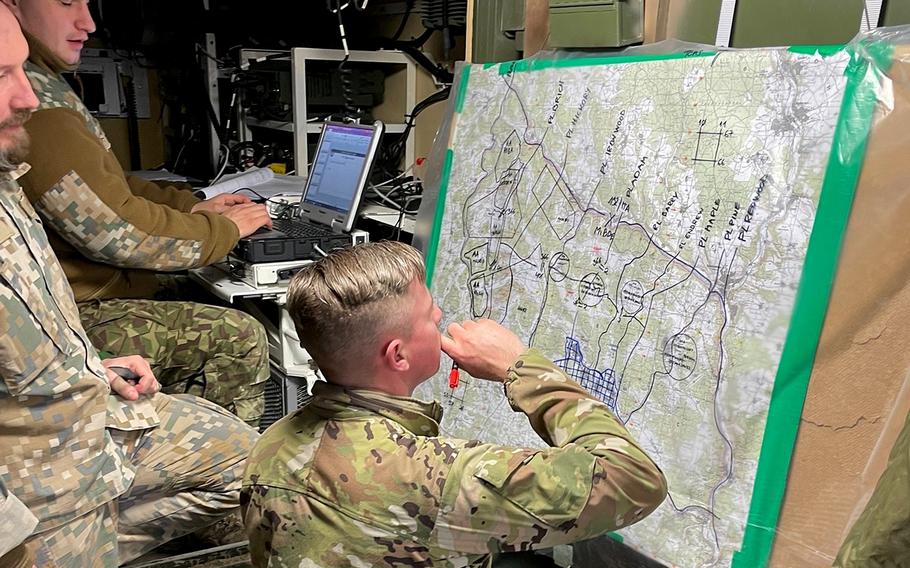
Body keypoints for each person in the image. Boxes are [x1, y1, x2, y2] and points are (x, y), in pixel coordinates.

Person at [0, 7, 259, 566]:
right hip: (42, 479)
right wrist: (221, 230)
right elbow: (116, 231)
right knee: (237, 335)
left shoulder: (8, 176)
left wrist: (92, 367)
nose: (24, 98)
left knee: (247, 458)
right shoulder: (36, 122)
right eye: (2, 76)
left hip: (73, 421)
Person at [241, 241, 668, 567]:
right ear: (398, 356)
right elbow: (635, 480)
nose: (440, 314)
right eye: (430, 316)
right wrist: (519, 368)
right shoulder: (438, 474)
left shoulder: (270, 442)